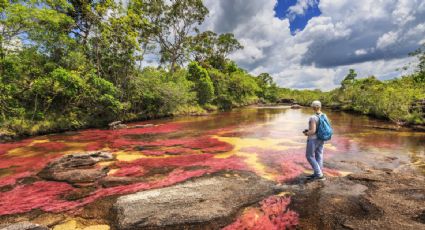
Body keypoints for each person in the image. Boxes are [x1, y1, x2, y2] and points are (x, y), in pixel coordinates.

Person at [303, 100, 326, 180]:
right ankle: (318, 173)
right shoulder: (324, 115)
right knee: (319, 155)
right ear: (320, 107)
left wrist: (306, 133)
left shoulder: (313, 117)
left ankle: (319, 175)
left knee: (309, 156)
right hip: (322, 138)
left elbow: (313, 131)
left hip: (313, 139)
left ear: (313, 107)